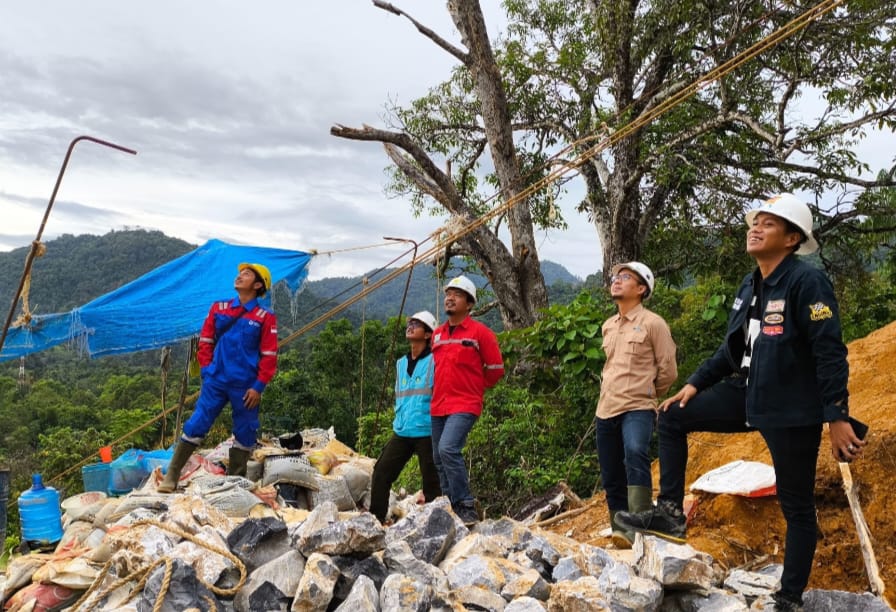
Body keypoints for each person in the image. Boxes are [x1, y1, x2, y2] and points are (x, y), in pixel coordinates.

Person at [615, 193, 863, 611]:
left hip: (790, 407)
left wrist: (836, 416)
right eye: (755, 221)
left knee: (796, 503)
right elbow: (733, 350)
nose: (756, 227)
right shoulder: (751, 284)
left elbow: (830, 353)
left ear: (791, 238)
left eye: (768, 223)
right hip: (747, 392)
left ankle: (789, 596)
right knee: (673, 416)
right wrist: (694, 383)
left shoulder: (807, 282)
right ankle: (671, 511)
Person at [159, 262, 278, 493]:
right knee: (197, 423)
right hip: (216, 380)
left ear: (257, 285)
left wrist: (258, 386)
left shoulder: (265, 317)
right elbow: (205, 341)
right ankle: (172, 474)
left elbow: (269, 355)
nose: (239, 276)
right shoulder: (219, 308)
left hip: (246, 386)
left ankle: (234, 482)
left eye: (246, 274)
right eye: (240, 273)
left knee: (246, 430)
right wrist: (207, 371)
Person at [596, 261, 677, 548]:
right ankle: (620, 531)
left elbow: (668, 369)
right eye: (616, 277)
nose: (616, 281)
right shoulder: (609, 325)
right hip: (605, 407)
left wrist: (648, 393)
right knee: (610, 470)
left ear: (641, 289)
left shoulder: (654, 324)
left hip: (638, 407)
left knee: (635, 452)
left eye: (626, 278)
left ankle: (641, 523)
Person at [430, 275, 504, 525]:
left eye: (457, 295)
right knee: (439, 459)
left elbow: (495, 368)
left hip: (465, 404)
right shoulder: (437, 334)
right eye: (448, 294)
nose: (450, 298)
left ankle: (466, 504)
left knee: (448, 448)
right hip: (439, 404)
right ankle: (449, 504)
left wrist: (475, 388)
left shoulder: (480, 333)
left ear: (470, 304)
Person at [368, 310, 442, 524]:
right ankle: (375, 521)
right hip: (402, 429)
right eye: (410, 323)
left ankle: (433, 527)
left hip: (426, 430)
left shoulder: (435, 360)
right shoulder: (401, 363)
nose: (410, 326)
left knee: (431, 484)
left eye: (417, 324)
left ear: (428, 334)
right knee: (381, 473)